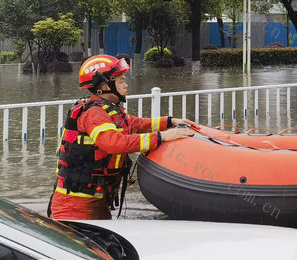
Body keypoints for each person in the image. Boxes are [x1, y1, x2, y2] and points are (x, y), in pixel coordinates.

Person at [49, 54, 193, 220]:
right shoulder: (94, 113)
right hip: (74, 206)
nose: (126, 85)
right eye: (121, 81)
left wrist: (169, 121)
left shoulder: (108, 110)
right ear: (105, 85)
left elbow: (135, 123)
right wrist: (161, 137)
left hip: (97, 201)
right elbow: (113, 143)